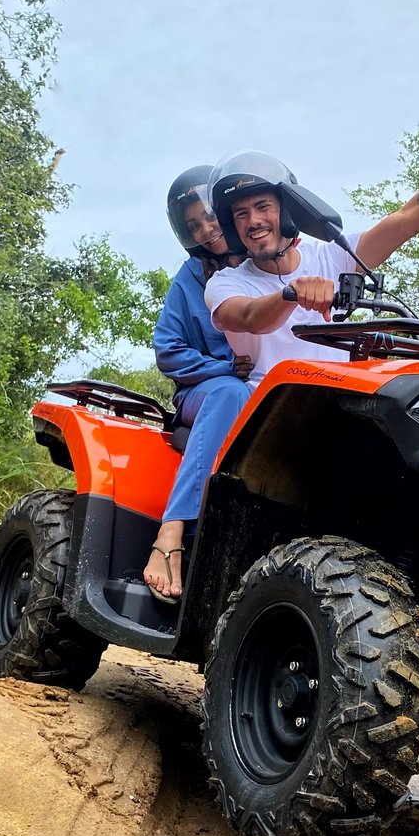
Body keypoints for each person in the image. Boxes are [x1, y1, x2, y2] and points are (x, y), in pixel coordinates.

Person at [204, 95, 419, 384]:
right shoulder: (227, 284)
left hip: (340, 403)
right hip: (269, 414)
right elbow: (247, 316)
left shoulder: (334, 255)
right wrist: (291, 294)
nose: (254, 221)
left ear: (287, 213)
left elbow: (406, 220)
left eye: (263, 207)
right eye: (241, 214)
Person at [143, 167, 253, 603]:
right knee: (232, 392)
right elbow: (167, 350)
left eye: (210, 217)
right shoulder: (189, 279)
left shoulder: (263, 262)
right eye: (194, 226)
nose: (207, 230)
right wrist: (224, 365)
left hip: (268, 391)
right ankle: (170, 533)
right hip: (203, 393)